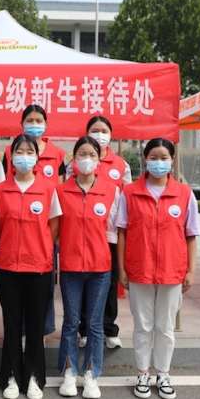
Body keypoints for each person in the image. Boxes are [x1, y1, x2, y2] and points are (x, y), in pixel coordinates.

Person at [116, 138, 200, 399]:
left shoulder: (184, 193)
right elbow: (122, 233)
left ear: (172, 160)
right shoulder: (129, 192)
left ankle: (163, 373)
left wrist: (191, 270)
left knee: (165, 327)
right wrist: (122, 269)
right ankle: (143, 372)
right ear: (145, 158)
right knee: (142, 326)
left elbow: (191, 234)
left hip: (172, 271)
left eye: (164, 158)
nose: (159, 162)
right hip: (138, 269)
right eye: (153, 157)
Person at [0, 134, 62, 399]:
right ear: (11, 156)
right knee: (11, 324)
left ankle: (33, 375)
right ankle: (11, 375)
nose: (24, 156)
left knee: (35, 325)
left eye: (29, 151)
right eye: (19, 151)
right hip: (8, 265)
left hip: (39, 267)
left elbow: (53, 226)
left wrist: (39, 246)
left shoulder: (48, 189)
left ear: (37, 157)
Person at [56, 136, 119, 399]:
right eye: (82, 154)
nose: (87, 159)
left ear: (99, 159)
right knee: (71, 322)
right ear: (74, 158)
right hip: (70, 267)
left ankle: (91, 374)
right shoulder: (60, 191)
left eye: (92, 155)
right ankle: (70, 372)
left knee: (94, 324)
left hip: (100, 269)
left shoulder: (111, 190)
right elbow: (55, 232)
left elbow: (114, 232)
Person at [66, 116, 132, 350]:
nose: (99, 135)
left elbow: (126, 198)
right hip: (81, 235)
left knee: (109, 285)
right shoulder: (74, 163)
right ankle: (85, 330)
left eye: (104, 131)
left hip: (109, 236)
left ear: (111, 135)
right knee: (83, 285)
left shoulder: (121, 164)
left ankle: (109, 328)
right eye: (95, 130)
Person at [2, 104, 66, 341]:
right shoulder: (8, 152)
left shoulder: (58, 154)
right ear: (22, 123)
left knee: (43, 291)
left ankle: (40, 332)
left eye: (39, 120)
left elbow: (59, 195)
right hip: (15, 234)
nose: (34, 124)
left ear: (46, 124)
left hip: (43, 234)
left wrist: (45, 239)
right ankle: (19, 336)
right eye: (30, 120)